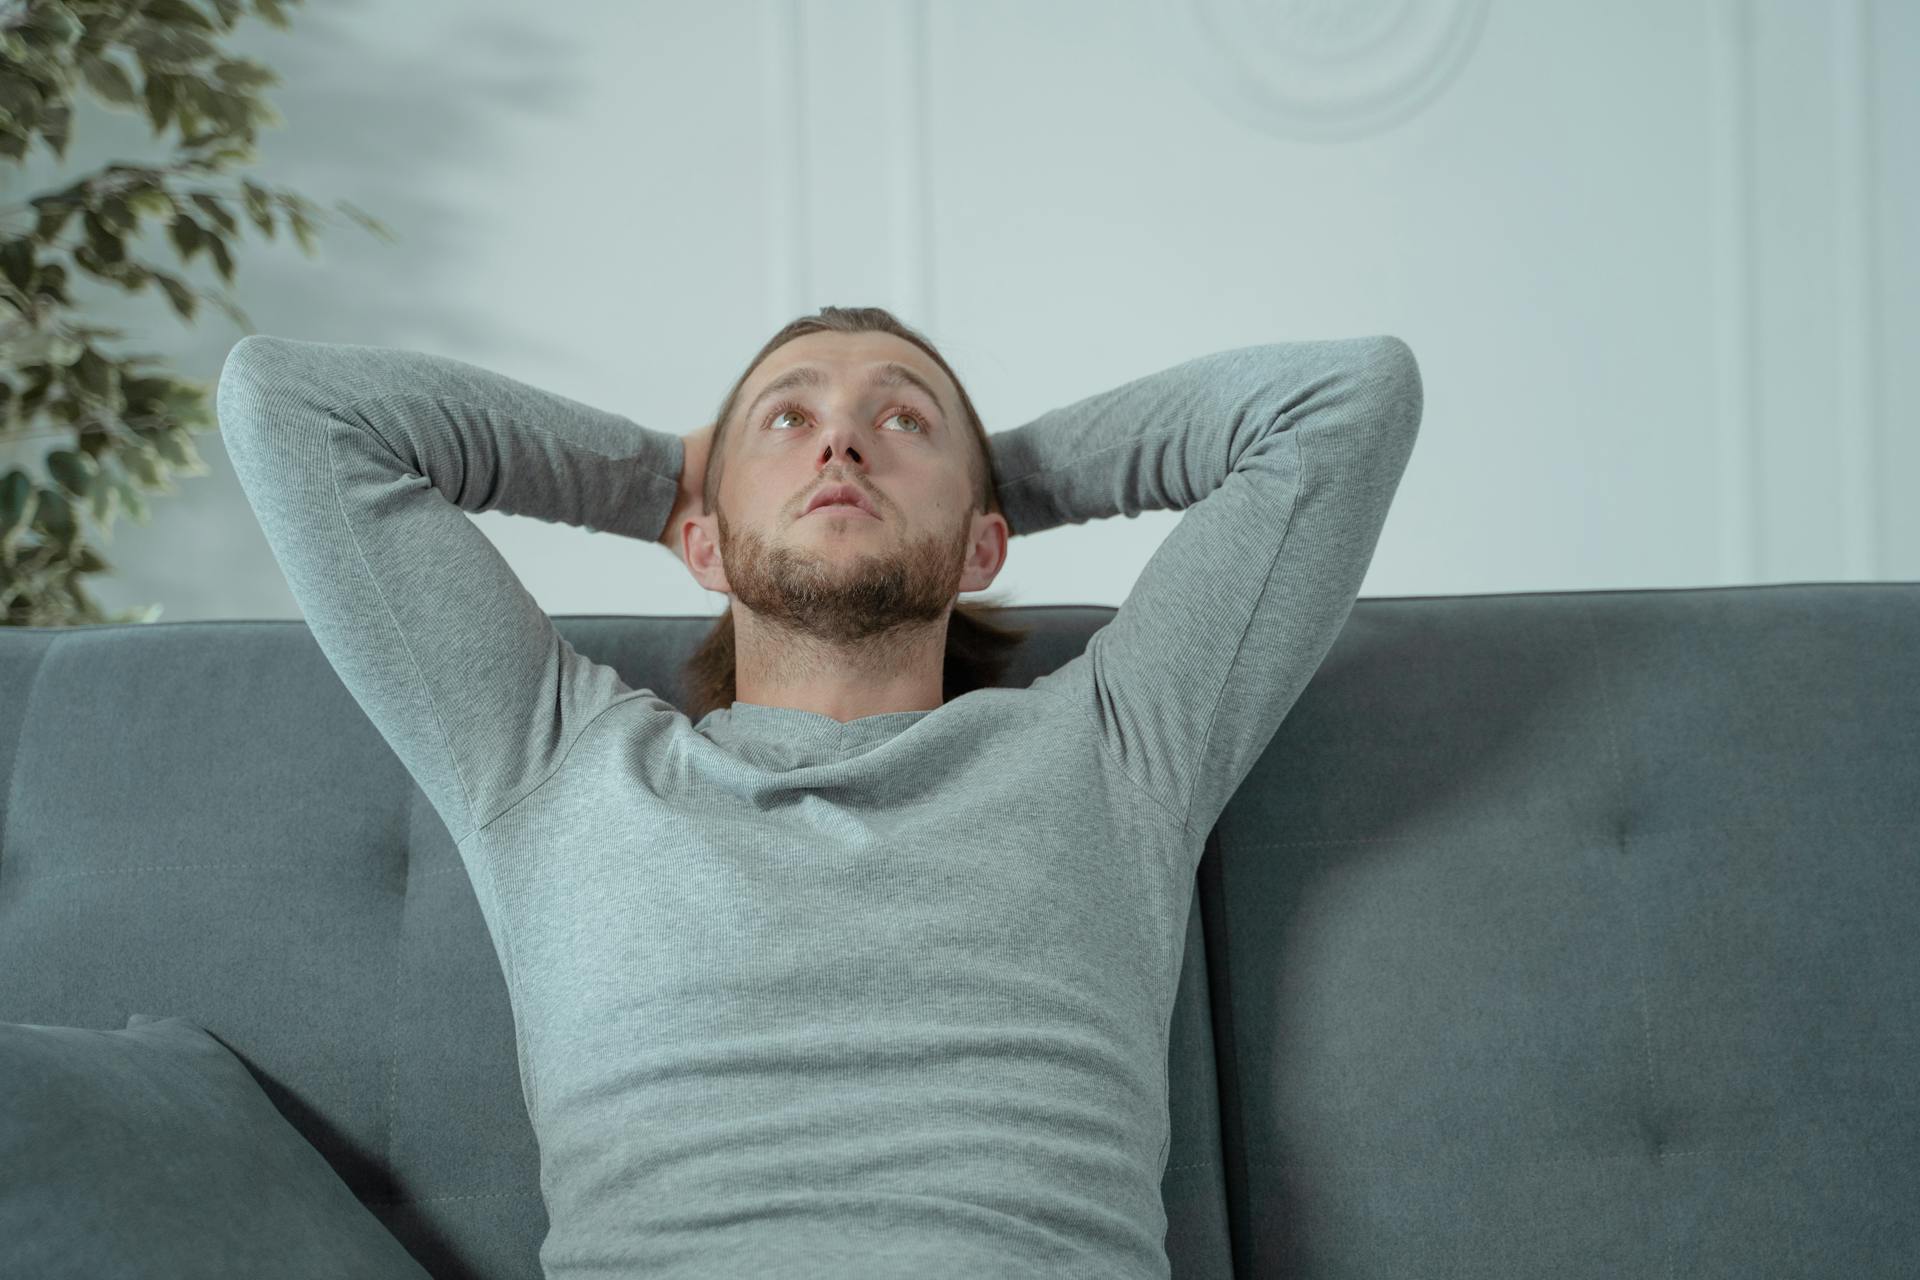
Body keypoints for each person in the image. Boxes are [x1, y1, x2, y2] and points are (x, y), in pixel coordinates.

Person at [218, 307, 1423, 1279]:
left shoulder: (1117, 747)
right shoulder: (551, 760)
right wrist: (662, 479)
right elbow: (287, 404)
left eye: (900, 418)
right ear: (702, 542)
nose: (840, 443)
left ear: (983, 547)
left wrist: (997, 480)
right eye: (788, 420)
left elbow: (1347, 400)